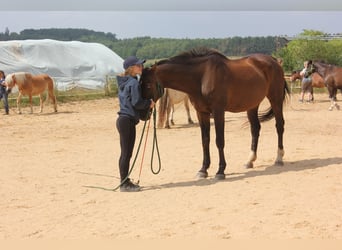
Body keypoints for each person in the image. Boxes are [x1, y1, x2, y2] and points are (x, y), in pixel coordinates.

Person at [116, 56, 155, 192]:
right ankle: (124, 183)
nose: (141, 67)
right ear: (131, 68)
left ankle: (125, 181)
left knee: (126, 153)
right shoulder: (133, 83)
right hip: (127, 120)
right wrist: (149, 103)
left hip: (123, 120)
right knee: (126, 153)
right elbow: (137, 102)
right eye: (138, 65)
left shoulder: (125, 82)